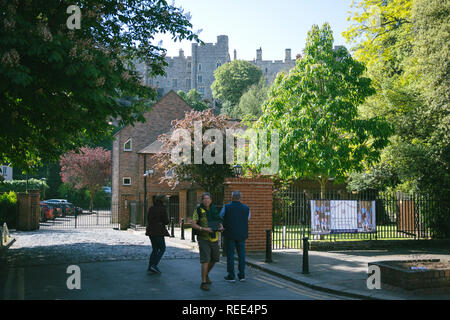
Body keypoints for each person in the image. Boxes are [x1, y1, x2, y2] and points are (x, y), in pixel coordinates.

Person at [191, 192, 223, 291]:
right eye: (204, 199)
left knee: (215, 258)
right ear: (202, 200)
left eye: (208, 198)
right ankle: (203, 282)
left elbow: (218, 221)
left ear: (211, 200)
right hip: (203, 238)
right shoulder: (198, 210)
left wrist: (221, 226)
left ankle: (206, 274)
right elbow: (193, 224)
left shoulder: (214, 209)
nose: (206, 200)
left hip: (214, 237)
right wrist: (203, 229)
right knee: (206, 260)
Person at [220, 190, 250, 282]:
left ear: (232, 197)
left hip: (229, 234)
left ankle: (231, 275)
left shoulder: (227, 207)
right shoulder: (246, 208)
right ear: (240, 198)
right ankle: (242, 275)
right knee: (241, 255)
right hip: (241, 234)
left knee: (230, 255)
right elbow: (247, 218)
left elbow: (221, 216)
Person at [145, 195, 170, 274]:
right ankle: (154, 265)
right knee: (162, 248)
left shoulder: (151, 208)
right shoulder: (163, 209)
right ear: (162, 201)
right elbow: (166, 221)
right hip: (158, 231)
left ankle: (150, 266)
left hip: (150, 231)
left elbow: (148, 219)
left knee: (155, 249)